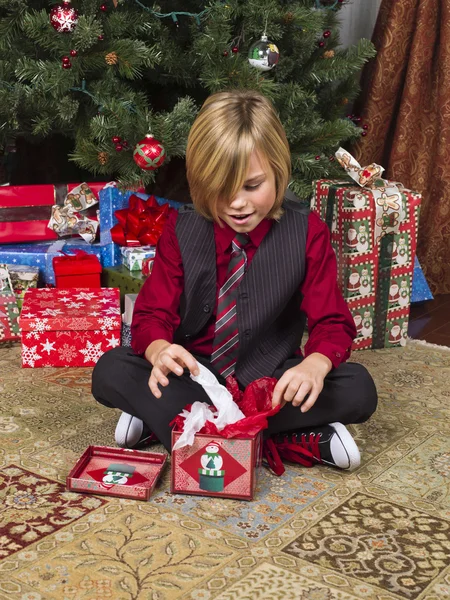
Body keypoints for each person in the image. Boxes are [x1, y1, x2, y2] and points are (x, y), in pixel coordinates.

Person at [92, 89, 377, 472]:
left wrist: (316, 365)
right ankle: (290, 439)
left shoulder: (306, 231)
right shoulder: (183, 229)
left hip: (270, 380)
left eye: (252, 186)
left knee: (358, 388)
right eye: (220, 190)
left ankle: (170, 426)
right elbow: (151, 314)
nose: (236, 204)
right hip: (195, 374)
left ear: (278, 170)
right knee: (111, 369)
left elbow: (333, 321)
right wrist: (159, 349)